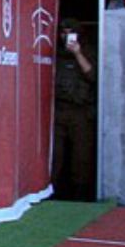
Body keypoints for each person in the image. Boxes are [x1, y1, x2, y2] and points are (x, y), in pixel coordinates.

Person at [51, 20, 97, 200]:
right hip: (59, 109)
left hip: (80, 111)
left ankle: (81, 194)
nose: (66, 36)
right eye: (63, 32)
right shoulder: (56, 53)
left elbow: (92, 75)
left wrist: (78, 53)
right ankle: (53, 191)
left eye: (71, 32)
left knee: (81, 156)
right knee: (56, 155)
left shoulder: (88, 50)